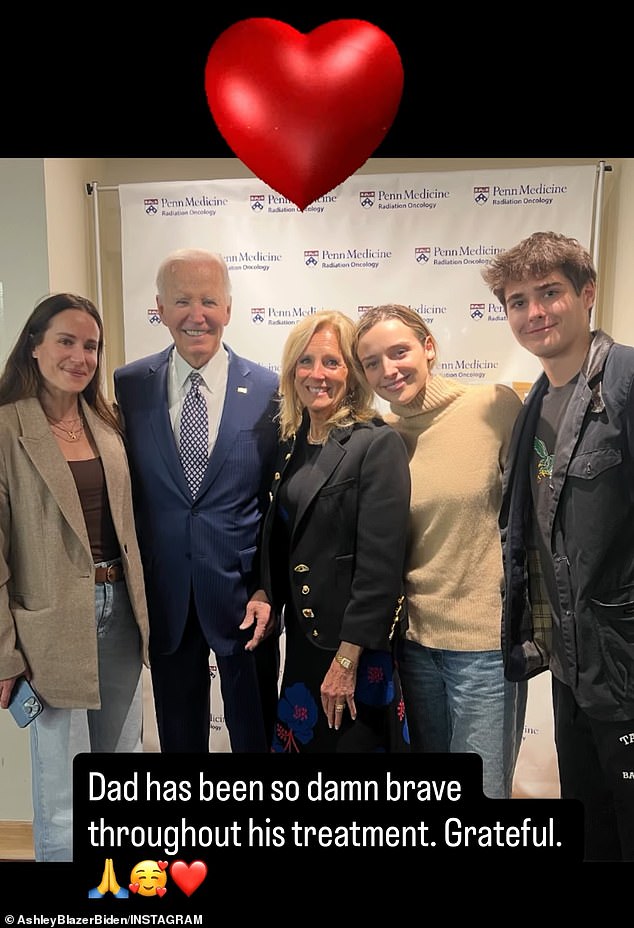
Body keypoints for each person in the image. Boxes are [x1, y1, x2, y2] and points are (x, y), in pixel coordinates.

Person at [482, 231, 634, 860]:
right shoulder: (532, 407)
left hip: (626, 664)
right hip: (569, 670)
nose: (535, 312)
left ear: (587, 294)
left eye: (550, 293)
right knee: (592, 831)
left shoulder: (625, 379)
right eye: (518, 301)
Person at [354, 303, 526, 798]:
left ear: (429, 347)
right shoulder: (382, 437)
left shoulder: (492, 405)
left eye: (400, 351)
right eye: (372, 362)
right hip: (413, 645)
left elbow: (531, 520)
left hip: (484, 648)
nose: (389, 370)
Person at [0, 293, 149, 862]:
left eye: (90, 345)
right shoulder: (7, 429)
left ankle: (118, 888)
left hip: (120, 614)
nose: (80, 356)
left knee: (121, 770)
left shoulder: (105, 423)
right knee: (63, 784)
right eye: (66, 341)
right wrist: (5, 655)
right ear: (34, 346)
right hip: (50, 624)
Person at [114, 248, 280, 754]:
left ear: (229, 308)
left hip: (243, 599)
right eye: (182, 300)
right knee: (179, 737)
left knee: (255, 733)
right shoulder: (128, 385)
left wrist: (266, 589)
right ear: (160, 309)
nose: (197, 315)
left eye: (209, 300)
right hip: (166, 595)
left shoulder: (271, 388)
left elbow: (278, 505)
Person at [243, 310, 411, 752]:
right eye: (305, 361)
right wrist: (264, 591)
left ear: (351, 374)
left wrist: (347, 659)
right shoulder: (291, 442)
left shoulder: (375, 444)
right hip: (301, 650)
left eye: (331, 362)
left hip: (352, 653)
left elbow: (381, 567)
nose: (317, 374)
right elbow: (282, 536)